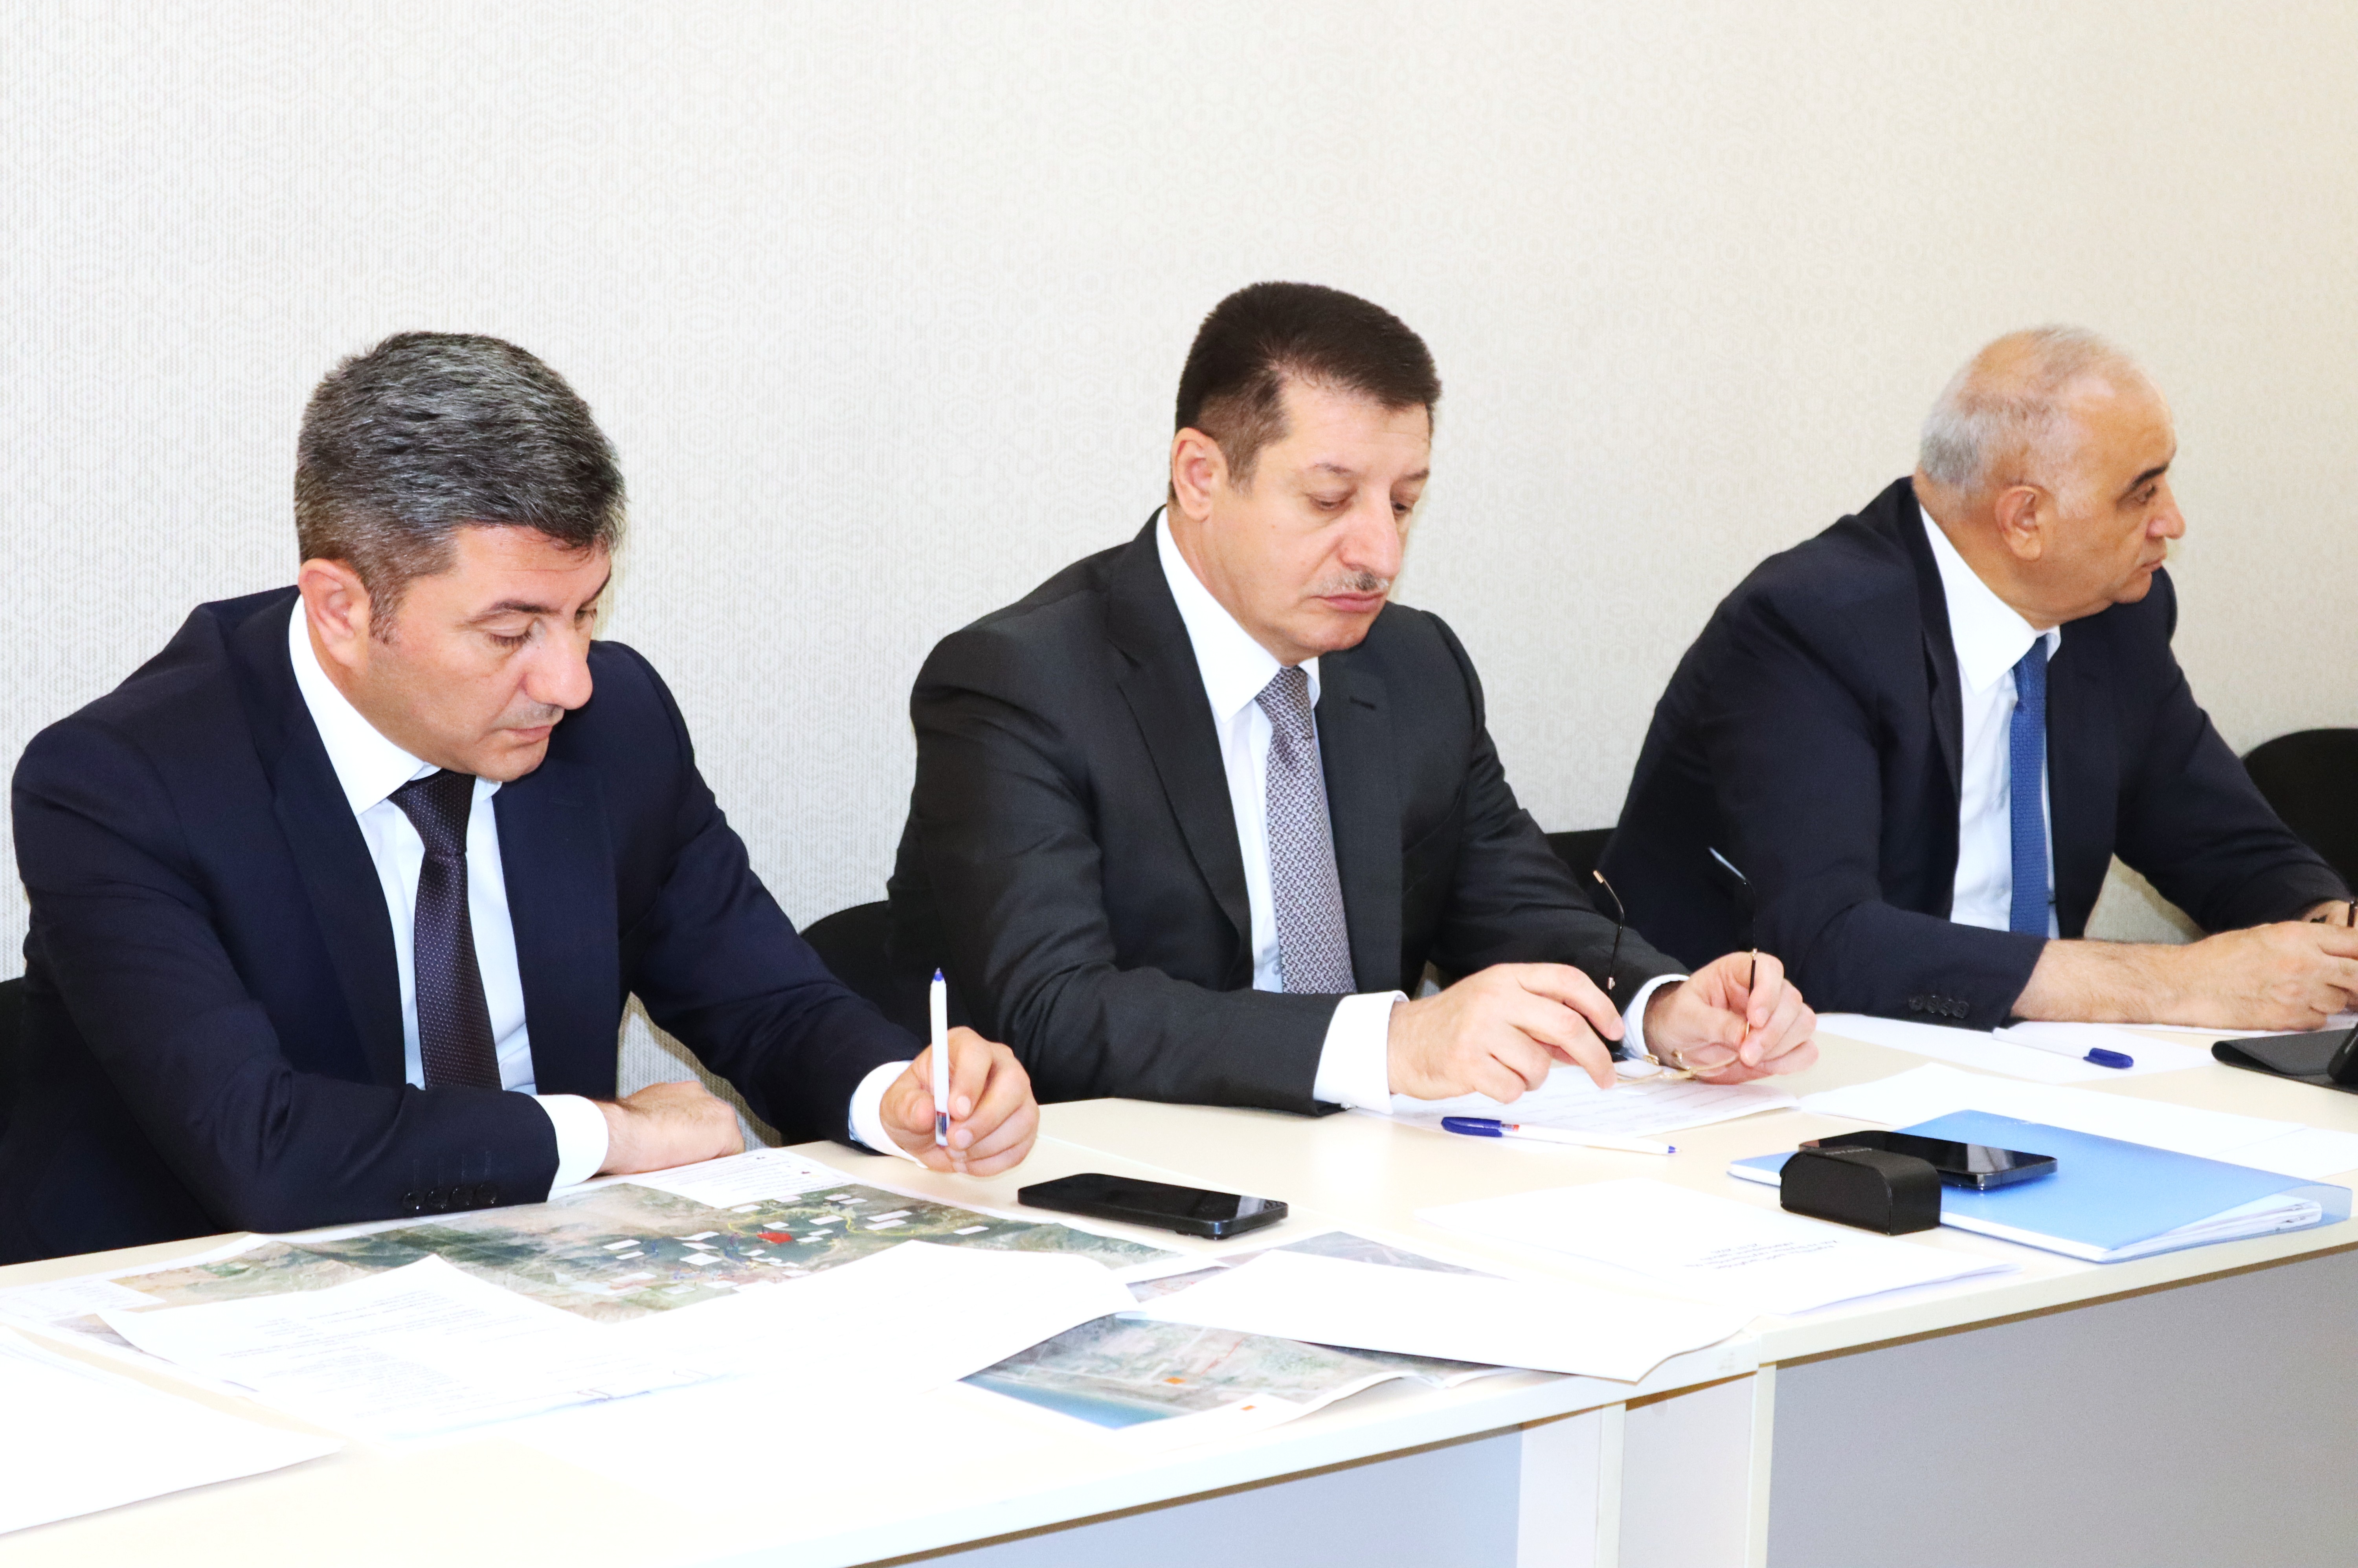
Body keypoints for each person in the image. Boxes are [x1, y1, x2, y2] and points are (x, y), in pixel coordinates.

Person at [2, 332, 1037, 1265]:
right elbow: (261, 1150)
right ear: (342, 608)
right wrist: (605, 1134)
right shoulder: (120, 785)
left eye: (584, 613)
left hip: (546, 1281)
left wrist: (894, 1094)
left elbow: (768, 1001)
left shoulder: (615, 723)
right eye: (511, 632)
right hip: (185, 1309)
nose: (570, 680)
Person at [889, 282, 1817, 1115]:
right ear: (1201, 475)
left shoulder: (1414, 665)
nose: (1381, 553)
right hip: (1121, 1175)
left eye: (1403, 503)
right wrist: (1391, 1042)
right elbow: (1053, 1007)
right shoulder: (1021, 683)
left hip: (1372, 1173)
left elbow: (1515, 904)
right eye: (1331, 500)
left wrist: (1660, 1005)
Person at [1603, 327, 2356, 1032]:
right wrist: (2171, 984)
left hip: (2037, 1067)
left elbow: (2222, 839)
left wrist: (2331, 929)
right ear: (2025, 519)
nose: (2173, 522)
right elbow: (1827, 942)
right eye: (2142, 493)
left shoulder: (2116, 612)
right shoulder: (1809, 625)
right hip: (1768, 1063)